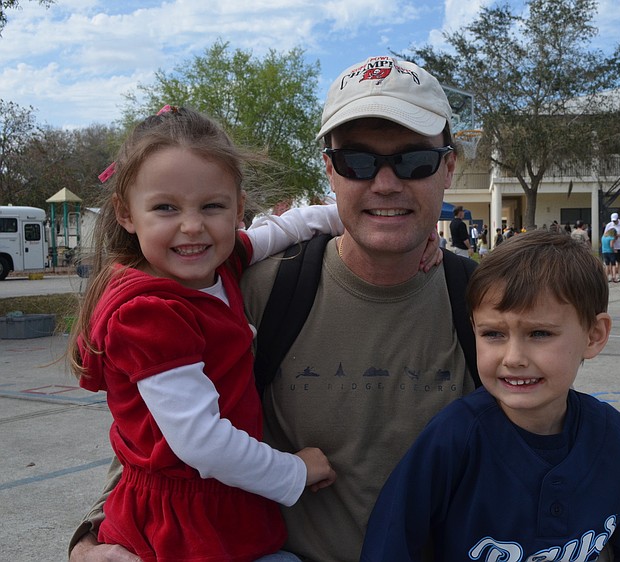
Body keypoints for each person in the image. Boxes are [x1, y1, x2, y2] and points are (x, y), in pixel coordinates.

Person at [69, 55, 479, 562]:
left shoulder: (485, 300)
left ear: (449, 166)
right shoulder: (256, 289)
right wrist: (92, 540)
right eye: (357, 162)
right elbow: (156, 434)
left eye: (415, 160)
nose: (386, 183)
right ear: (330, 169)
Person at [68, 105, 341, 561]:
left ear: (238, 208)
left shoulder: (220, 264)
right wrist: (294, 471)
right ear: (126, 213)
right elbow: (203, 443)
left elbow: (288, 227)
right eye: (166, 208)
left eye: (212, 206)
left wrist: (355, 219)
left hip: (219, 504)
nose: (192, 226)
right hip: (180, 527)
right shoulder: (148, 313)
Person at [361, 231, 620, 561]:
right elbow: (389, 541)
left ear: (593, 335)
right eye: (493, 334)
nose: (513, 358)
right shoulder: (453, 438)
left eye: (539, 333)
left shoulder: (615, 438)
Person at [603, 212, 620, 282]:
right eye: (613, 221)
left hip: (619, 245)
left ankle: (619, 276)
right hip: (611, 246)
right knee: (612, 262)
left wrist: (618, 235)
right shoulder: (609, 225)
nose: (614, 222)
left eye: (615, 220)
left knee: (619, 261)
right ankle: (612, 276)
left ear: (618, 219)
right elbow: (605, 234)